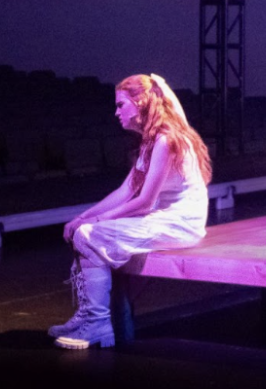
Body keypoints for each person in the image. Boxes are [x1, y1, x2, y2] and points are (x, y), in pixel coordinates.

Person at [49, 73, 212, 348]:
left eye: (121, 105)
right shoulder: (150, 141)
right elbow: (125, 192)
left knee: (89, 236)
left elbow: (145, 201)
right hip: (164, 216)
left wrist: (95, 222)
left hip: (181, 222)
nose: (116, 112)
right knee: (84, 232)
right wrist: (82, 217)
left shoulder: (165, 141)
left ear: (142, 103)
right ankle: (90, 315)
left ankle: (98, 325)